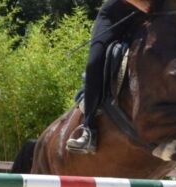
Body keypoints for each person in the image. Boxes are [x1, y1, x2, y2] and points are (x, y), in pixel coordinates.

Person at [66, 0, 153, 154]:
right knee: (95, 63)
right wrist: (143, 5)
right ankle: (89, 129)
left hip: (146, 20)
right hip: (114, 17)